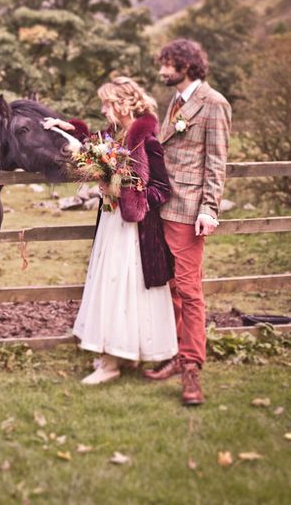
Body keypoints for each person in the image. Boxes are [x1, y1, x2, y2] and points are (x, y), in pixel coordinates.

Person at [44, 77, 177, 385]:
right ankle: (119, 353)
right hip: (112, 224)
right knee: (108, 286)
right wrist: (67, 128)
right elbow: (93, 144)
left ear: (122, 104)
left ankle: (111, 362)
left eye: (107, 104)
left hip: (135, 231)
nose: (103, 109)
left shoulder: (146, 139)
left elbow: (161, 188)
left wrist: (133, 196)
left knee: (125, 289)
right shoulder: (117, 134)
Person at [143, 39, 232, 406]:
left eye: (168, 64)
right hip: (164, 206)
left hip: (189, 210)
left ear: (187, 65)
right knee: (172, 287)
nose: (162, 71)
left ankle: (192, 368)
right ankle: (178, 354)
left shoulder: (214, 104)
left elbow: (216, 162)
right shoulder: (175, 101)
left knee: (190, 289)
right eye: (162, 64)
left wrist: (209, 209)